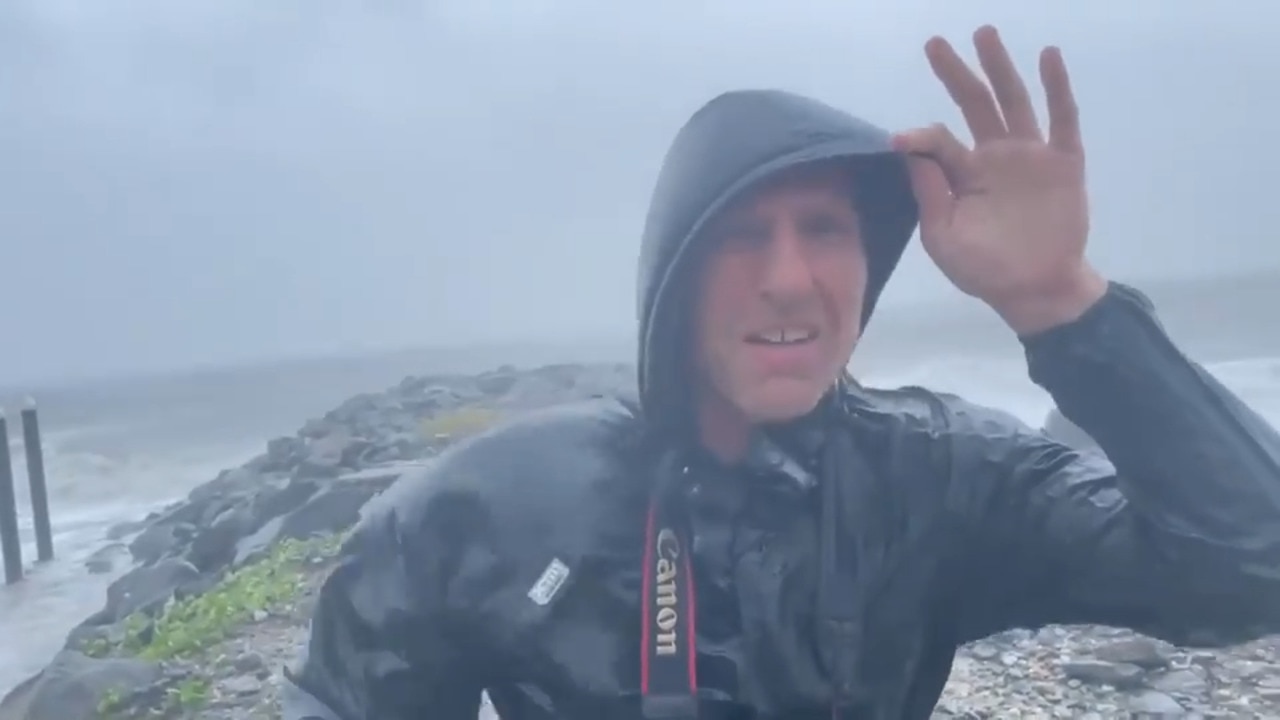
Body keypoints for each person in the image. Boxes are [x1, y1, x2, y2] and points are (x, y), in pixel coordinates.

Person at [282, 26, 1280, 720]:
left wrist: (1061, 302)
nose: (788, 281)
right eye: (738, 239)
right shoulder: (484, 507)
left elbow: (1246, 571)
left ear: (870, 263)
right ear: (669, 274)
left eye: (825, 231)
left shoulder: (942, 478)